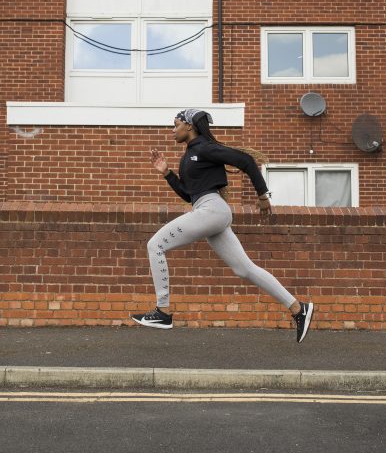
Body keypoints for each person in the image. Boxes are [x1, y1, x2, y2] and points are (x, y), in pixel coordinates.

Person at [132, 108, 314, 343]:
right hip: (207, 211)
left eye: (176, 124)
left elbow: (246, 160)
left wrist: (262, 195)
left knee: (155, 244)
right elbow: (189, 195)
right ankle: (299, 309)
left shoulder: (205, 148)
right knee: (244, 269)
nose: (172, 130)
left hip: (213, 210)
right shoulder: (188, 156)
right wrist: (167, 173)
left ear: (189, 126)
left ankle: (163, 311)